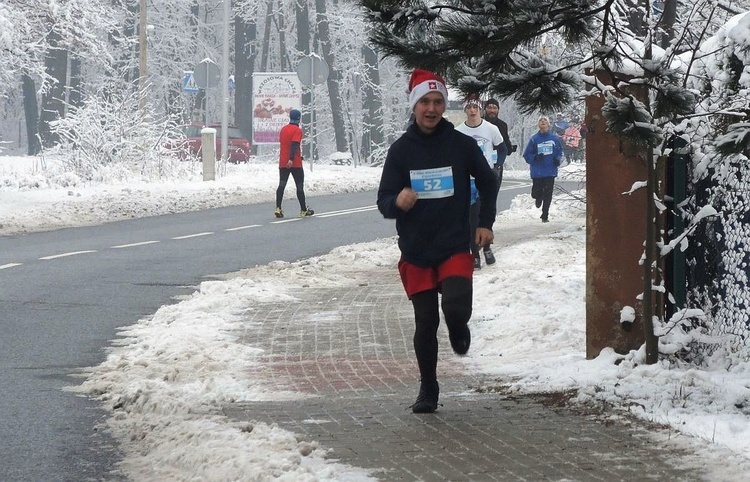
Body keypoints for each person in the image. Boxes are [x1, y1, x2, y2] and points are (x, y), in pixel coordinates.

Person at [377, 69, 499, 414]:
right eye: (425, 102)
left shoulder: (460, 145)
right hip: (416, 249)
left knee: (455, 304)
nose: (431, 108)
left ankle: (459, 325)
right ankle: (428, 388)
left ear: (444, 106)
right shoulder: (401, 151)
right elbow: (384, 199)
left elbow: (488, 182)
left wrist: (486, 222)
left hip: (454, 242)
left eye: (438, 102)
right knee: (426, 321)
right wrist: (397, 202)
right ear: (414, 106)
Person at [455, 96, 503, 270]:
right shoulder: (458, 131)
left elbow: (502, 148)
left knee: (487, 214)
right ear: (465, 110)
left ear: (480, 109)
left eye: (475, 107)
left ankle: (487, 248)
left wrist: (497, 166)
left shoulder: (491, 129)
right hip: (468, 180)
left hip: (485, 178)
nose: (472, 110)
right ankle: (474, 253)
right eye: (469, 107)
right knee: (471, 218)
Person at [523, 116, 563, 223]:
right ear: (538, 125)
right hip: (537, 171)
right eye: (540, 120)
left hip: (550, 171)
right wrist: (535, 157)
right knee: (536, 192)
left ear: (549, 124)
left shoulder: (554, 139)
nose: (543, 122)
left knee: (548, 194)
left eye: (545, 120)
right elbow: (526, 155)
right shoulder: (534, 139)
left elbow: (560, 152)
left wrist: (557, 160)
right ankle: (537, 197)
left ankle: (545, 215)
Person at [275, 109, 314, 218]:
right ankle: (303, 210)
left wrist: (287, 159)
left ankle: (278, 208)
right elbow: (294, 144)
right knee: (299, 186)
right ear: (299, 118)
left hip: (283, 162)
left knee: (281, 185)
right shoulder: (297, 130)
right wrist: (291, 159)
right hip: (295, 163)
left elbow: (285, 145)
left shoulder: (283, 129)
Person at [483, 99, 517, 187]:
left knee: (494, 191)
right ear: (485, 109)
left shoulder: (502, 125)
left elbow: (505, 142)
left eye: (495, 108)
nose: (492, 111)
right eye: (489, 107)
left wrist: (510, 148)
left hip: (497, 163)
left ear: (498, 110)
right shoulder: (479, 123)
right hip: (481, 161)